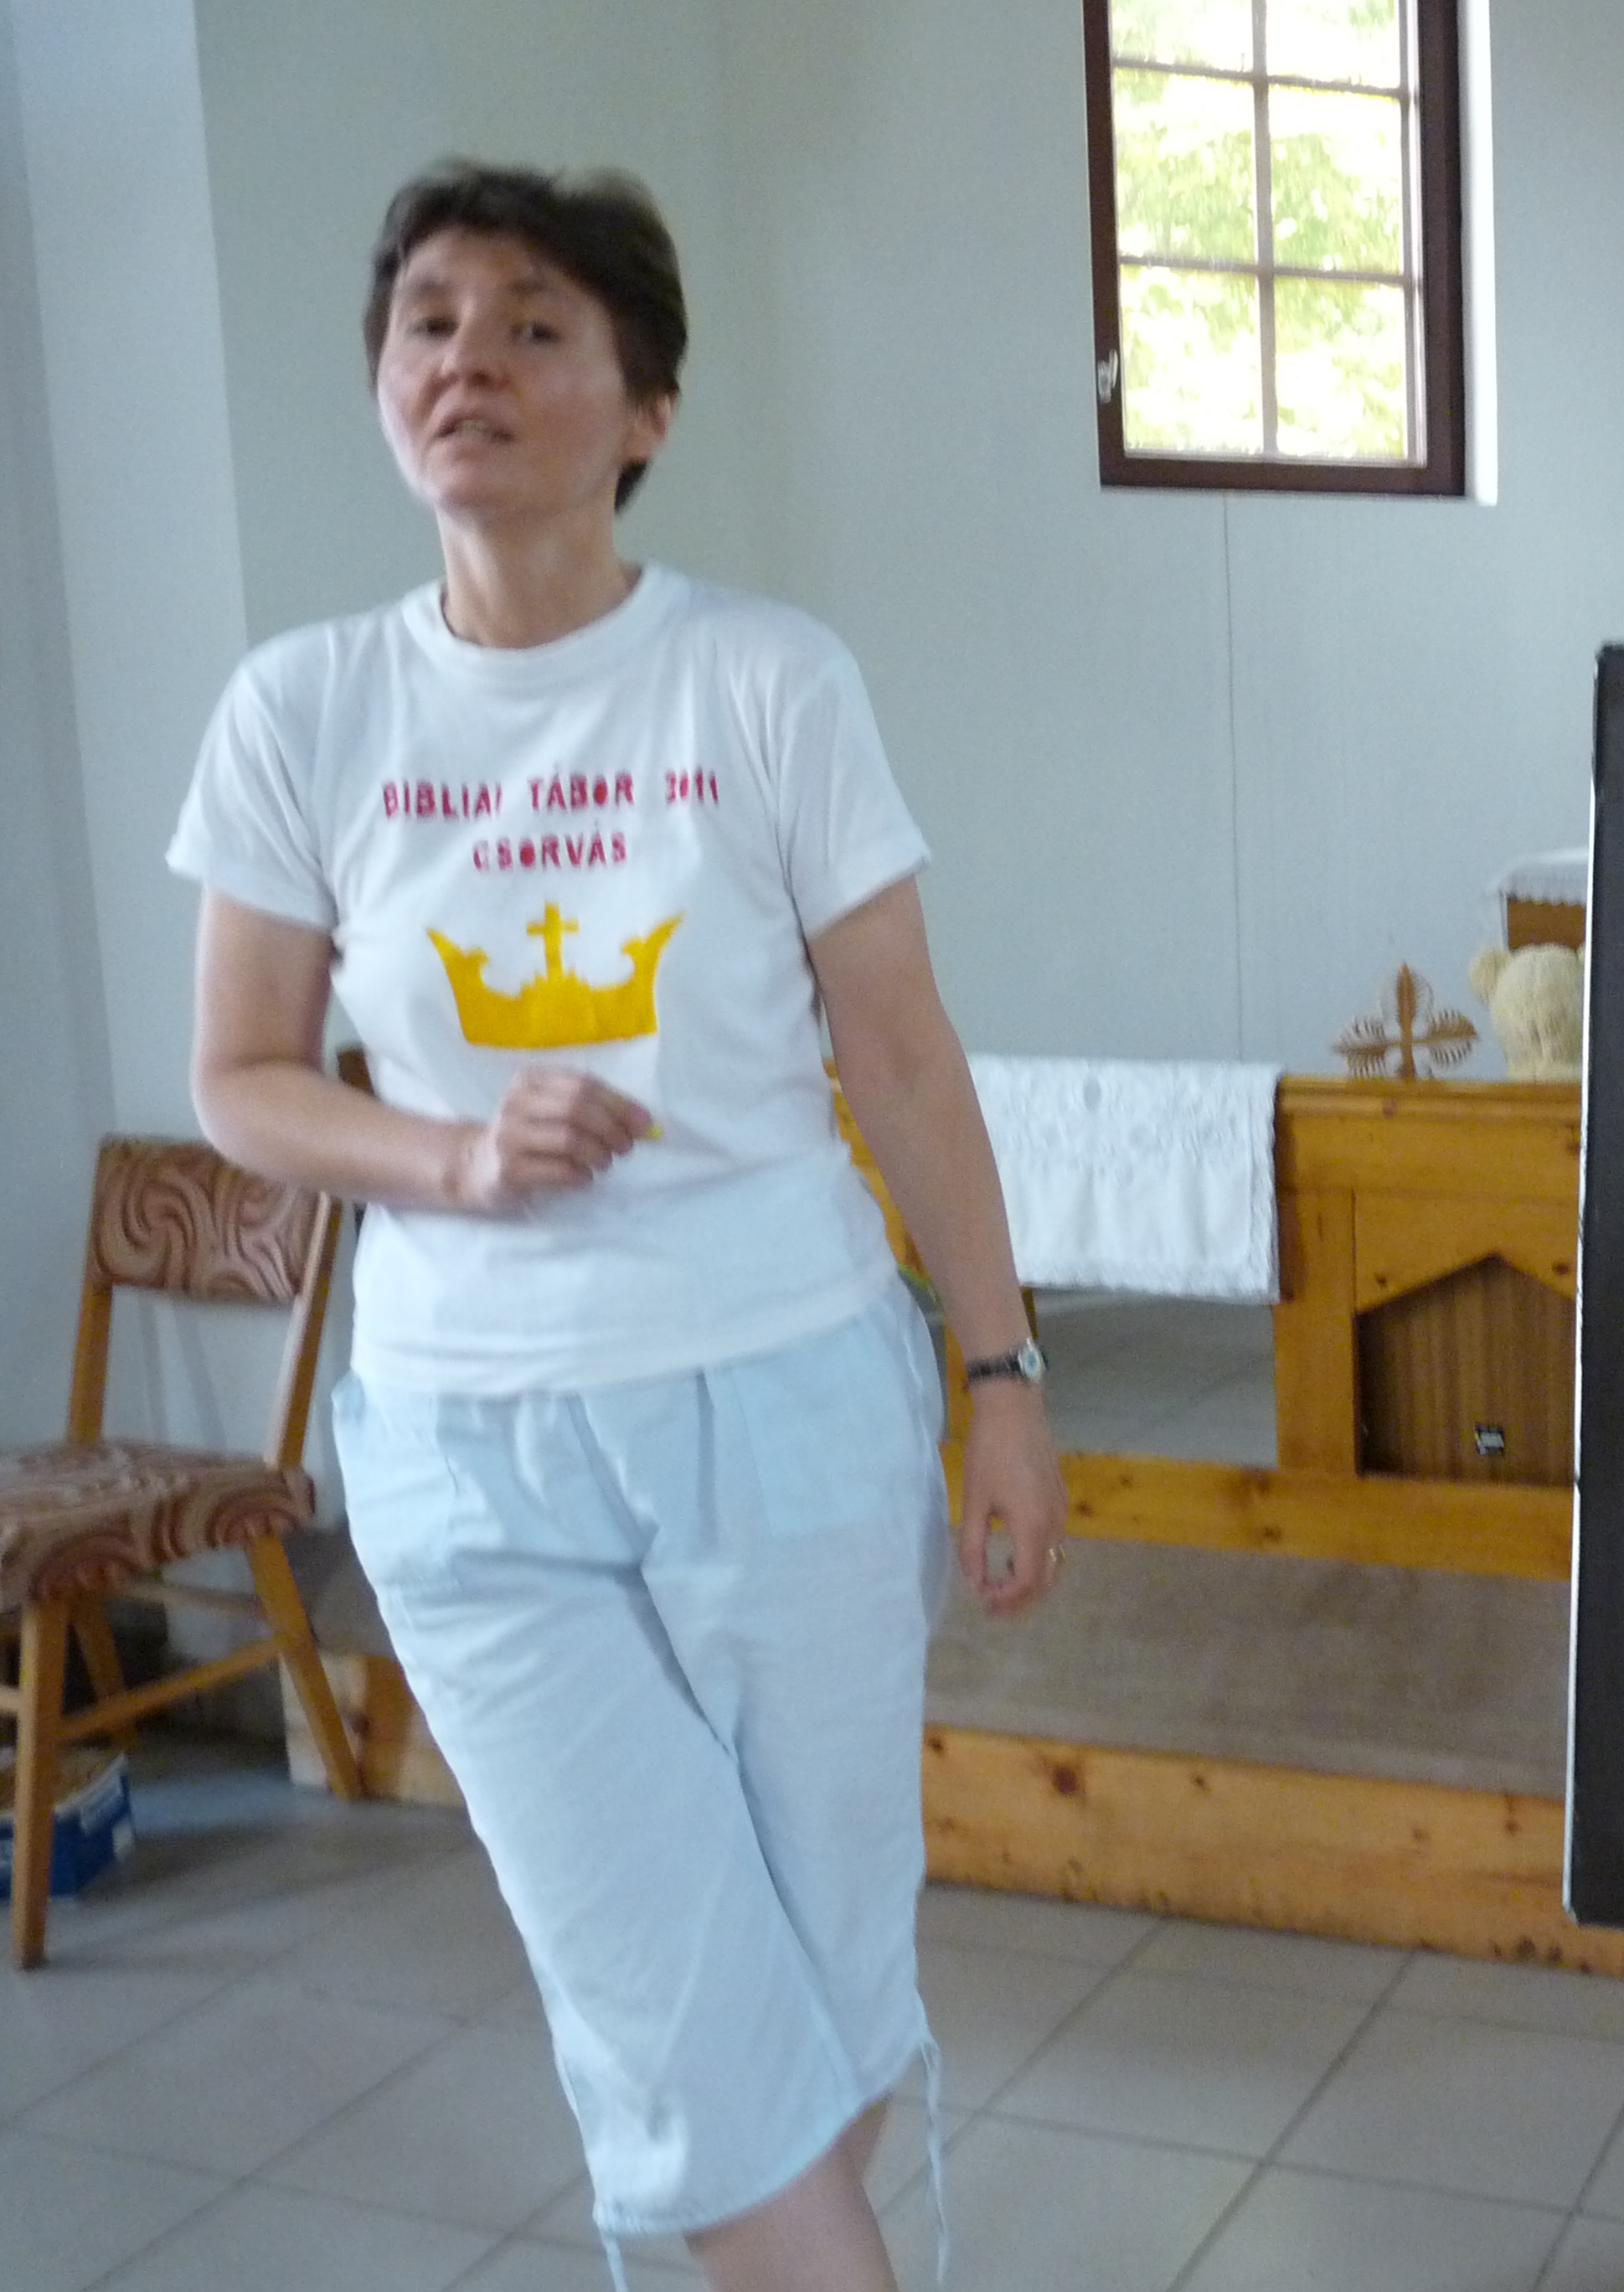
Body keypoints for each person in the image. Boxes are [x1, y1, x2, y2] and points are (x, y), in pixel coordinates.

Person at [168, 160, 1062, 2292]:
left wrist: (1003, 1376)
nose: (464, 360)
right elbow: (243, 1078)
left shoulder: (762, 679)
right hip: (469, 1445)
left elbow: (901, 1051)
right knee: (664, 1991)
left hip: (791, 1402)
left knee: (819, 1968)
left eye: (532, 325)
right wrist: (457, 1160)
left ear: (645, 408)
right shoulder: (305, 707)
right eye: (428, 322)